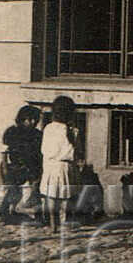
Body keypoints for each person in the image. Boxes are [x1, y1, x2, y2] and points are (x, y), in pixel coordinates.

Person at [40, 95, 79, 233]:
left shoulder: (48, 128)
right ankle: (65, 223)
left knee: (51, 195)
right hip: (65, 166)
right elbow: (74, 153)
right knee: (65, 196)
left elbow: (44, 150)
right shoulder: (73, 131)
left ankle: (52, 224)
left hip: (51, 165)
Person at [0, 105, 42, 222]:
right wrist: (5, 168)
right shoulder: (11, 131)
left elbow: (39, 154)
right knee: (11, 192)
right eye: (30, 119)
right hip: (12, 166)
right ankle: (5, 215)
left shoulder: (38, 135)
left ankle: (29, 214)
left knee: (31, 192)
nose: (33, 122)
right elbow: (4, 151)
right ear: (22, 119)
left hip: (29, 167)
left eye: (35, 119)